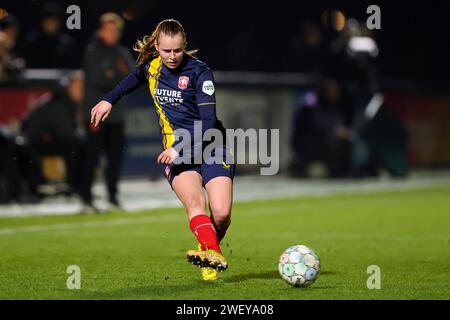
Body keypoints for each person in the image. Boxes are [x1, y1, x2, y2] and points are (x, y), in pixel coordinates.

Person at [90, 19, 235, 281]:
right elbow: (130, 81)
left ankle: (208, 248)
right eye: (166, 50)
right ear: (156, 45)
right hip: (177, 152)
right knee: (196, 203)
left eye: (177, 50)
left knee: (222, 214)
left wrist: (180, 148)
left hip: (211, 145)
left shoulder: (200, 73)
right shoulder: (151, 67)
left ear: (184, 47)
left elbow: (208, 122)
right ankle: (213, 255)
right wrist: (107, 100)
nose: (171, 57)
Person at [81, 13, 135, 212]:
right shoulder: (92, 51)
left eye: (115, 30)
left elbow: (133, 78)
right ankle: (86, 198)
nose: (111, 33)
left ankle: (112, 197)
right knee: (92, 158)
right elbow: (99, 79)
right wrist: (119, 77)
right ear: (101, 30)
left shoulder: (122, 53)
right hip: (96, 116)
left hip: (117, 115)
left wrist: (117, 76)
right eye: (108, 29)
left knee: (114, 158)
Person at [21, 71, 85, 197]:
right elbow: (66, 134)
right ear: (70, 86)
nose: (82, 91)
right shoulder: (59, 104)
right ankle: (73, 186)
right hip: (31, 144)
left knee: (79, 145)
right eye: (79, 87)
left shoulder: (68, 102)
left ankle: (75, 186)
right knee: (77, 145)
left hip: (43, 140)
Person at [20, 2, 77, 69]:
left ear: (59, 22)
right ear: (42, 22)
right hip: (34, 79)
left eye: (53, 21)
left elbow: (73, 67)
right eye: (47, 21)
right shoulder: (31, 42)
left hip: (61, 79)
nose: (50, 24)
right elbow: (22, 62)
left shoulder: (66, 44)